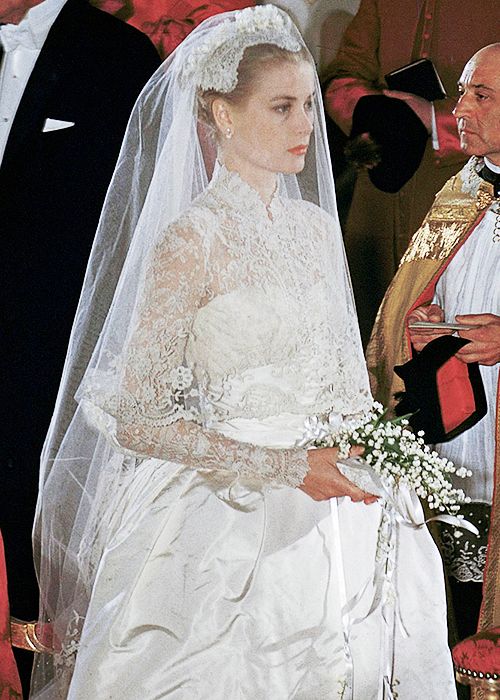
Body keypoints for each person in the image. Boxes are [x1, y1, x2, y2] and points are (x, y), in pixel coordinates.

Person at [32, 6, 457, 698]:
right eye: (282, 107)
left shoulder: (316, 230)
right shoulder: (188, 241)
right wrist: (286, 467)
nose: (305, 126)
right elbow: (137, 417)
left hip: (334, 495)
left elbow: (343, 380)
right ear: (223, 116)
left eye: (309, 105)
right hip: (221, 510)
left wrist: (368, 447)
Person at [0, 0, 159, 686]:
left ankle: (37, 673)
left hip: (52, 354)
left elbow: (139, 217)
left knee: (40, 541)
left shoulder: (116, 56)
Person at [367, 44, 500, 643]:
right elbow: (412, 292)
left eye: (481, 96)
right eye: (463, 92)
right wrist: (423, 318)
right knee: (456, 596)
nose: (460, 109)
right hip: (459, 429)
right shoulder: (462, 190)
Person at [322, 0, 499, 344]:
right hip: (379, 185)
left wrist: (434, 119)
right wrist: (380, 115)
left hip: (465, 189)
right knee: (367, 325)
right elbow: (342, 76)